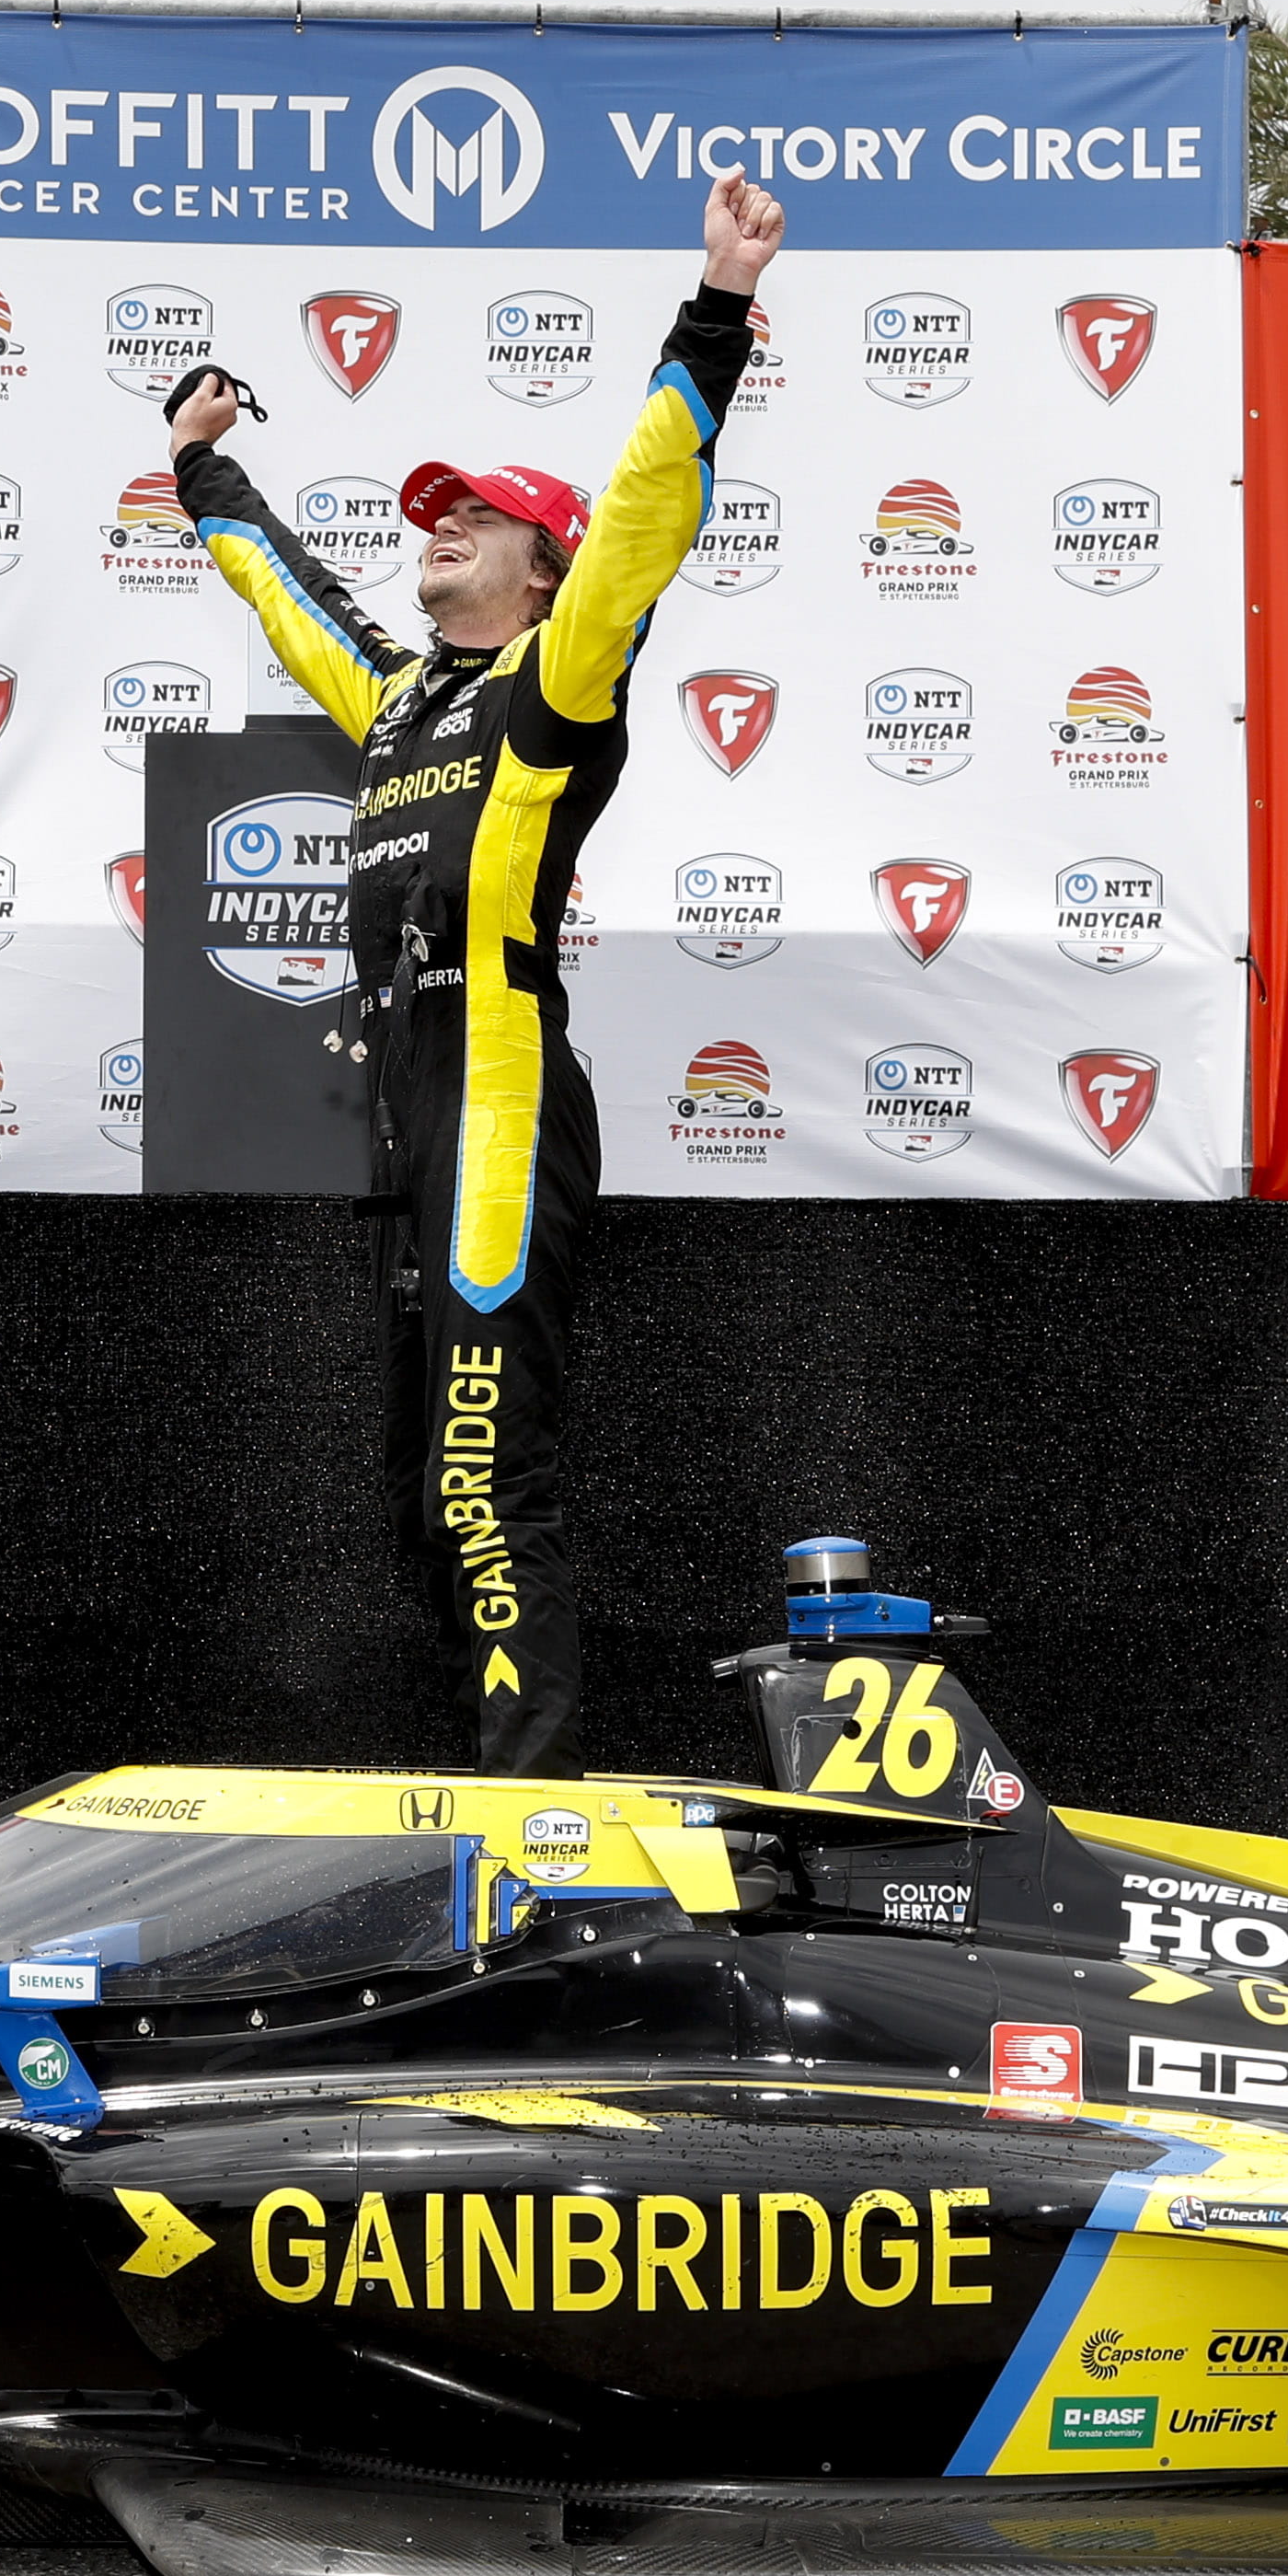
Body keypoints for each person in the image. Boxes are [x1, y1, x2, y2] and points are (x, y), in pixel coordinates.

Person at [165, 175, 785, 1773]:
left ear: (543, 569)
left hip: (500, 1092)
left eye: (480, 516)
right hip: (405, 1118)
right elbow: (286, 591)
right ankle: (477, 1779)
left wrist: (714, 309)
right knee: (415, 1484)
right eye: (433, 511)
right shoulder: (391, 703)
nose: (438, 525)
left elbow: (642, 513)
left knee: (482, 1461)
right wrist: (201, 467)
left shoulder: (553, 680)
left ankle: (529, 1797)